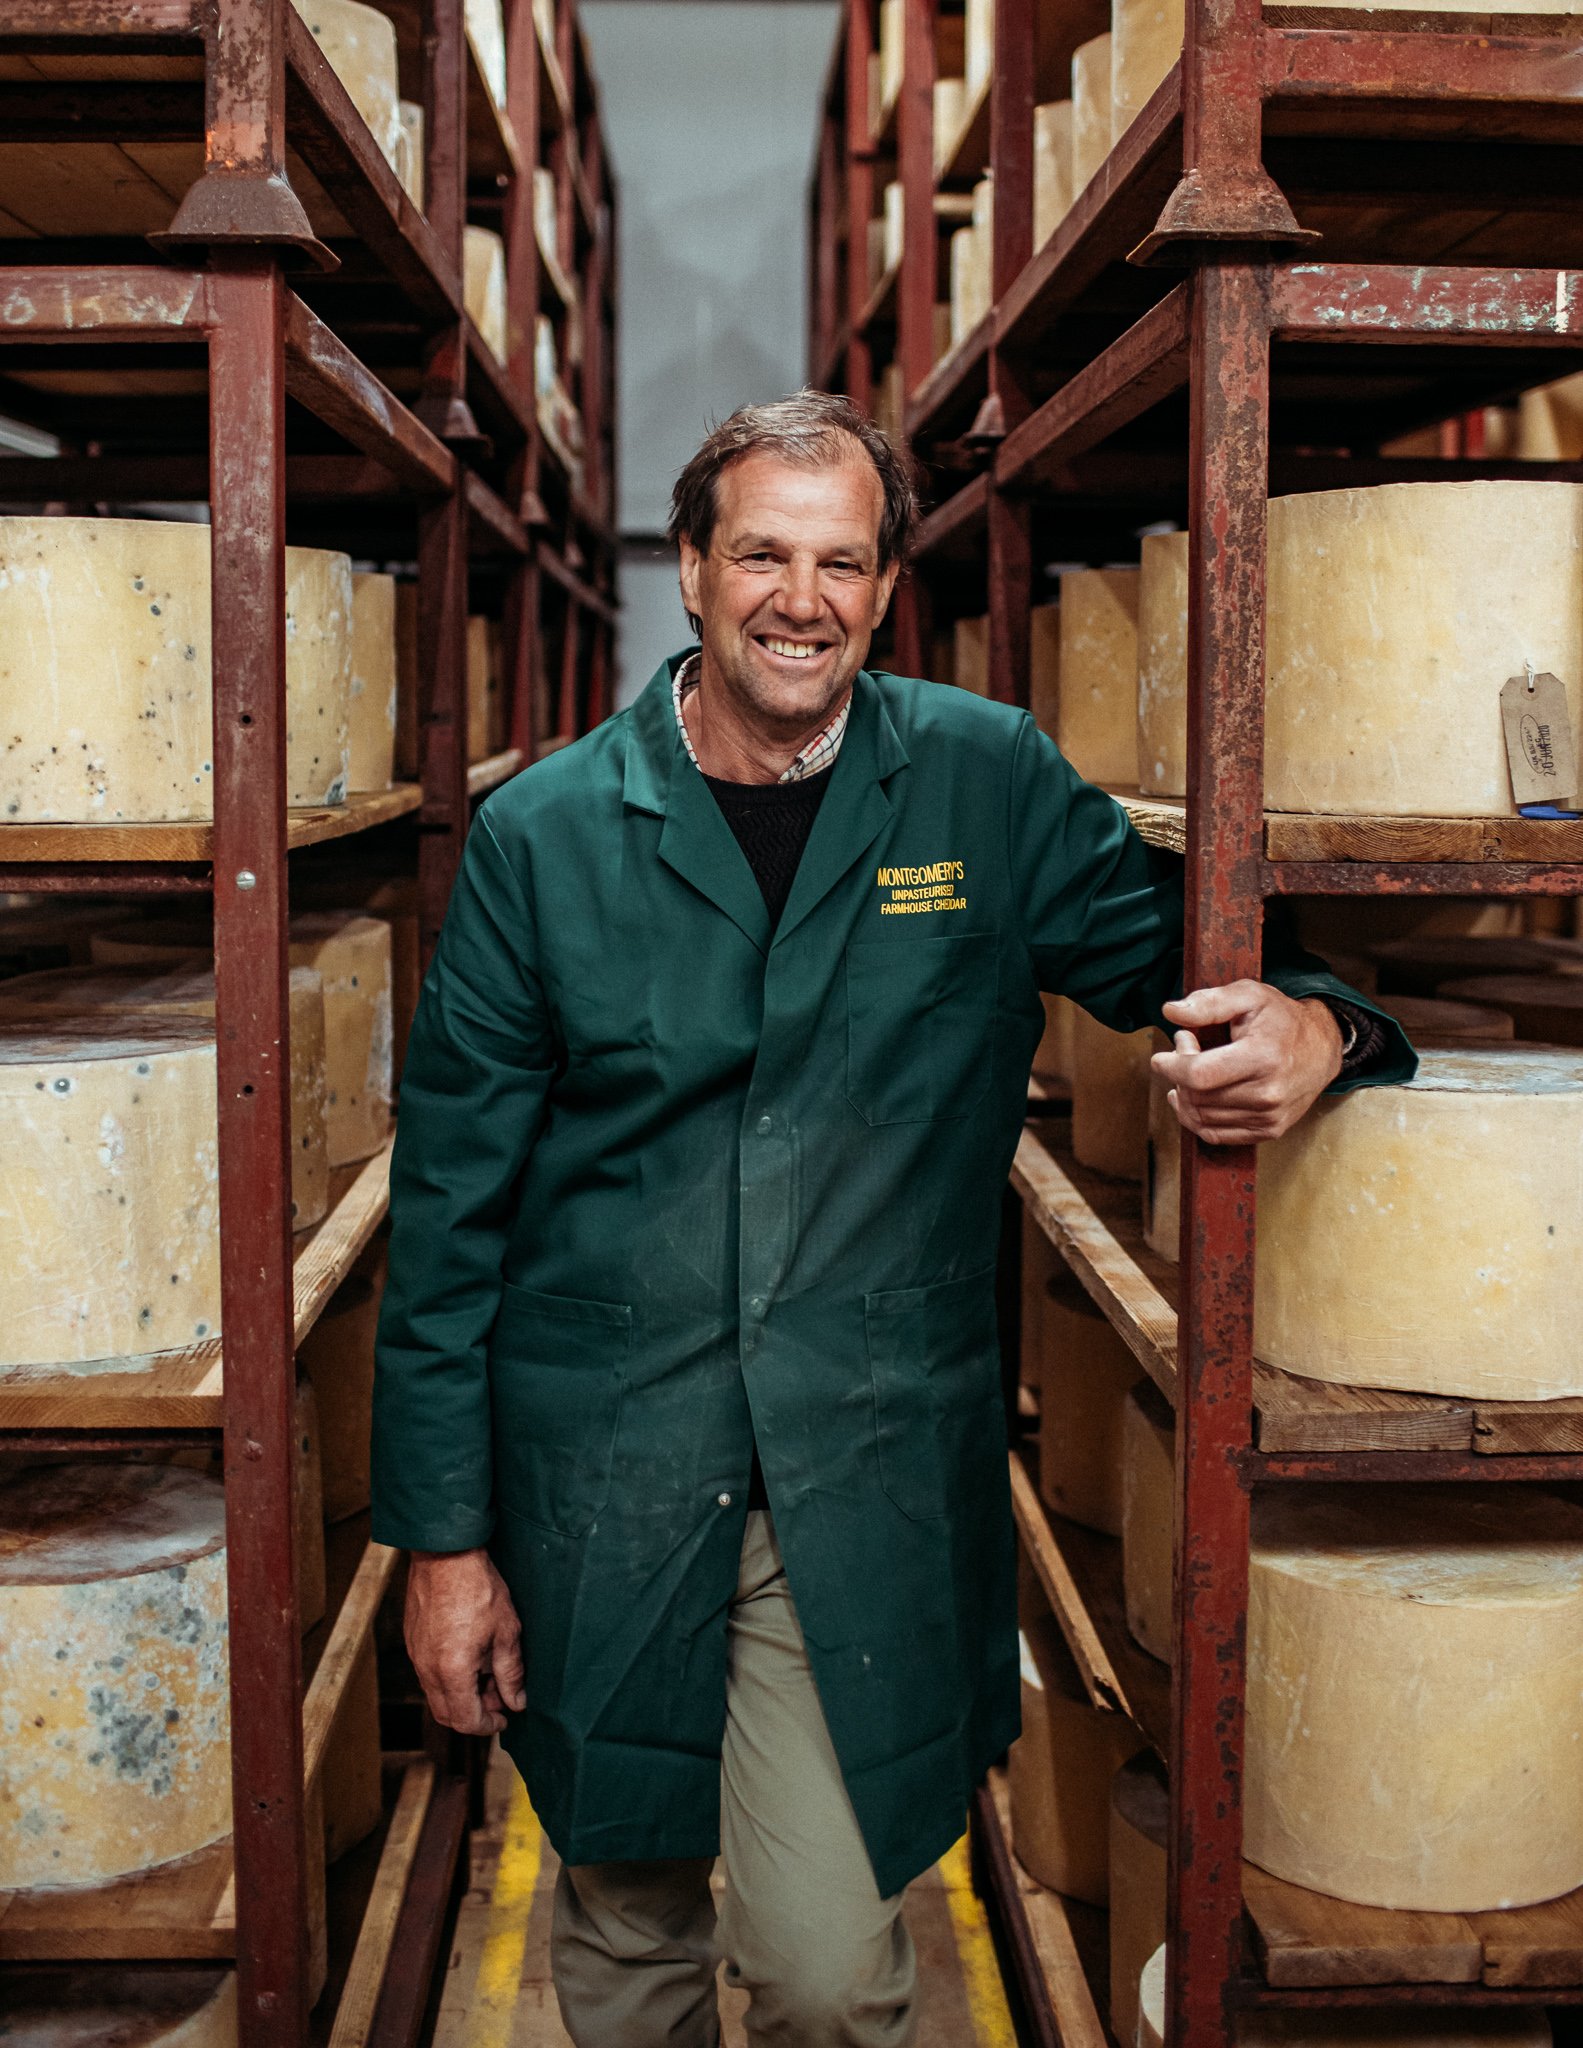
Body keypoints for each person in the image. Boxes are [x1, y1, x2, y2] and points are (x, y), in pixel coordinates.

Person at [372, 390, 1412, 2046]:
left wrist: (1316, 1023)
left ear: (884, 587)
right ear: (692, 573)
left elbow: (1191, 957)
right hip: (603, 1477)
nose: (804, 598)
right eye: (764, 555)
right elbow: (448, 1223)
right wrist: (442, 1549)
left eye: (842, 562)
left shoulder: (981, 783)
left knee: (825, 1975)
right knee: (629, 1934)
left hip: (854, 1473)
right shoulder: (545, 836)